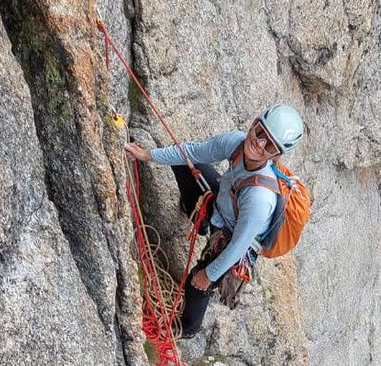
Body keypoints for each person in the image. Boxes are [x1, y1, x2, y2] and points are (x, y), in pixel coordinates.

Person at [124, 102, 304, 334]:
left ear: (276, 155)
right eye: (260, 133)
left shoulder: (260, 198)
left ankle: (186, 329)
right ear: (254, 124)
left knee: (196, 283)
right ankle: (194, 213)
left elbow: (238, 247)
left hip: (233, 238)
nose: (259, 144)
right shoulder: (236, 144)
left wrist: (208, 275)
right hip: (222, 205)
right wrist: (147, 155)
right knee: (187, 164)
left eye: (269, 145)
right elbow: (191, 152)